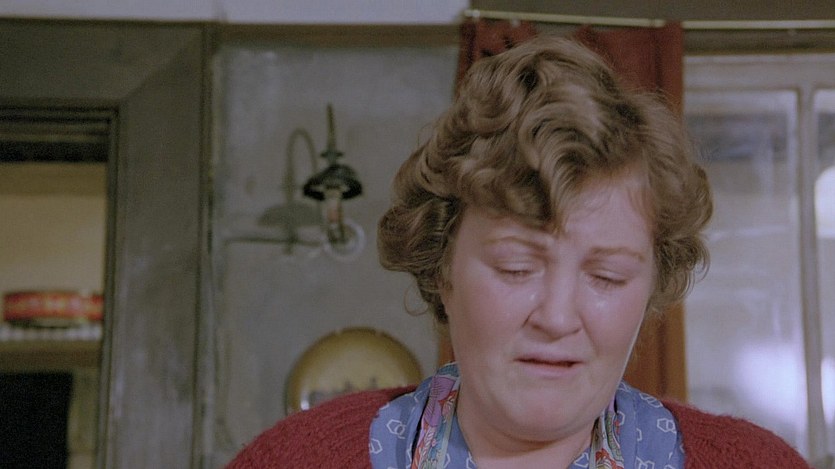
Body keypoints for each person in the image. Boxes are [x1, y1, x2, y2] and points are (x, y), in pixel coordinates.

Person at [228, 36, 811, 468]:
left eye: (607, 276)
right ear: (442, 269)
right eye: (517, 268)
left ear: (652, 286)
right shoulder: (293, 461)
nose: (557, 317)